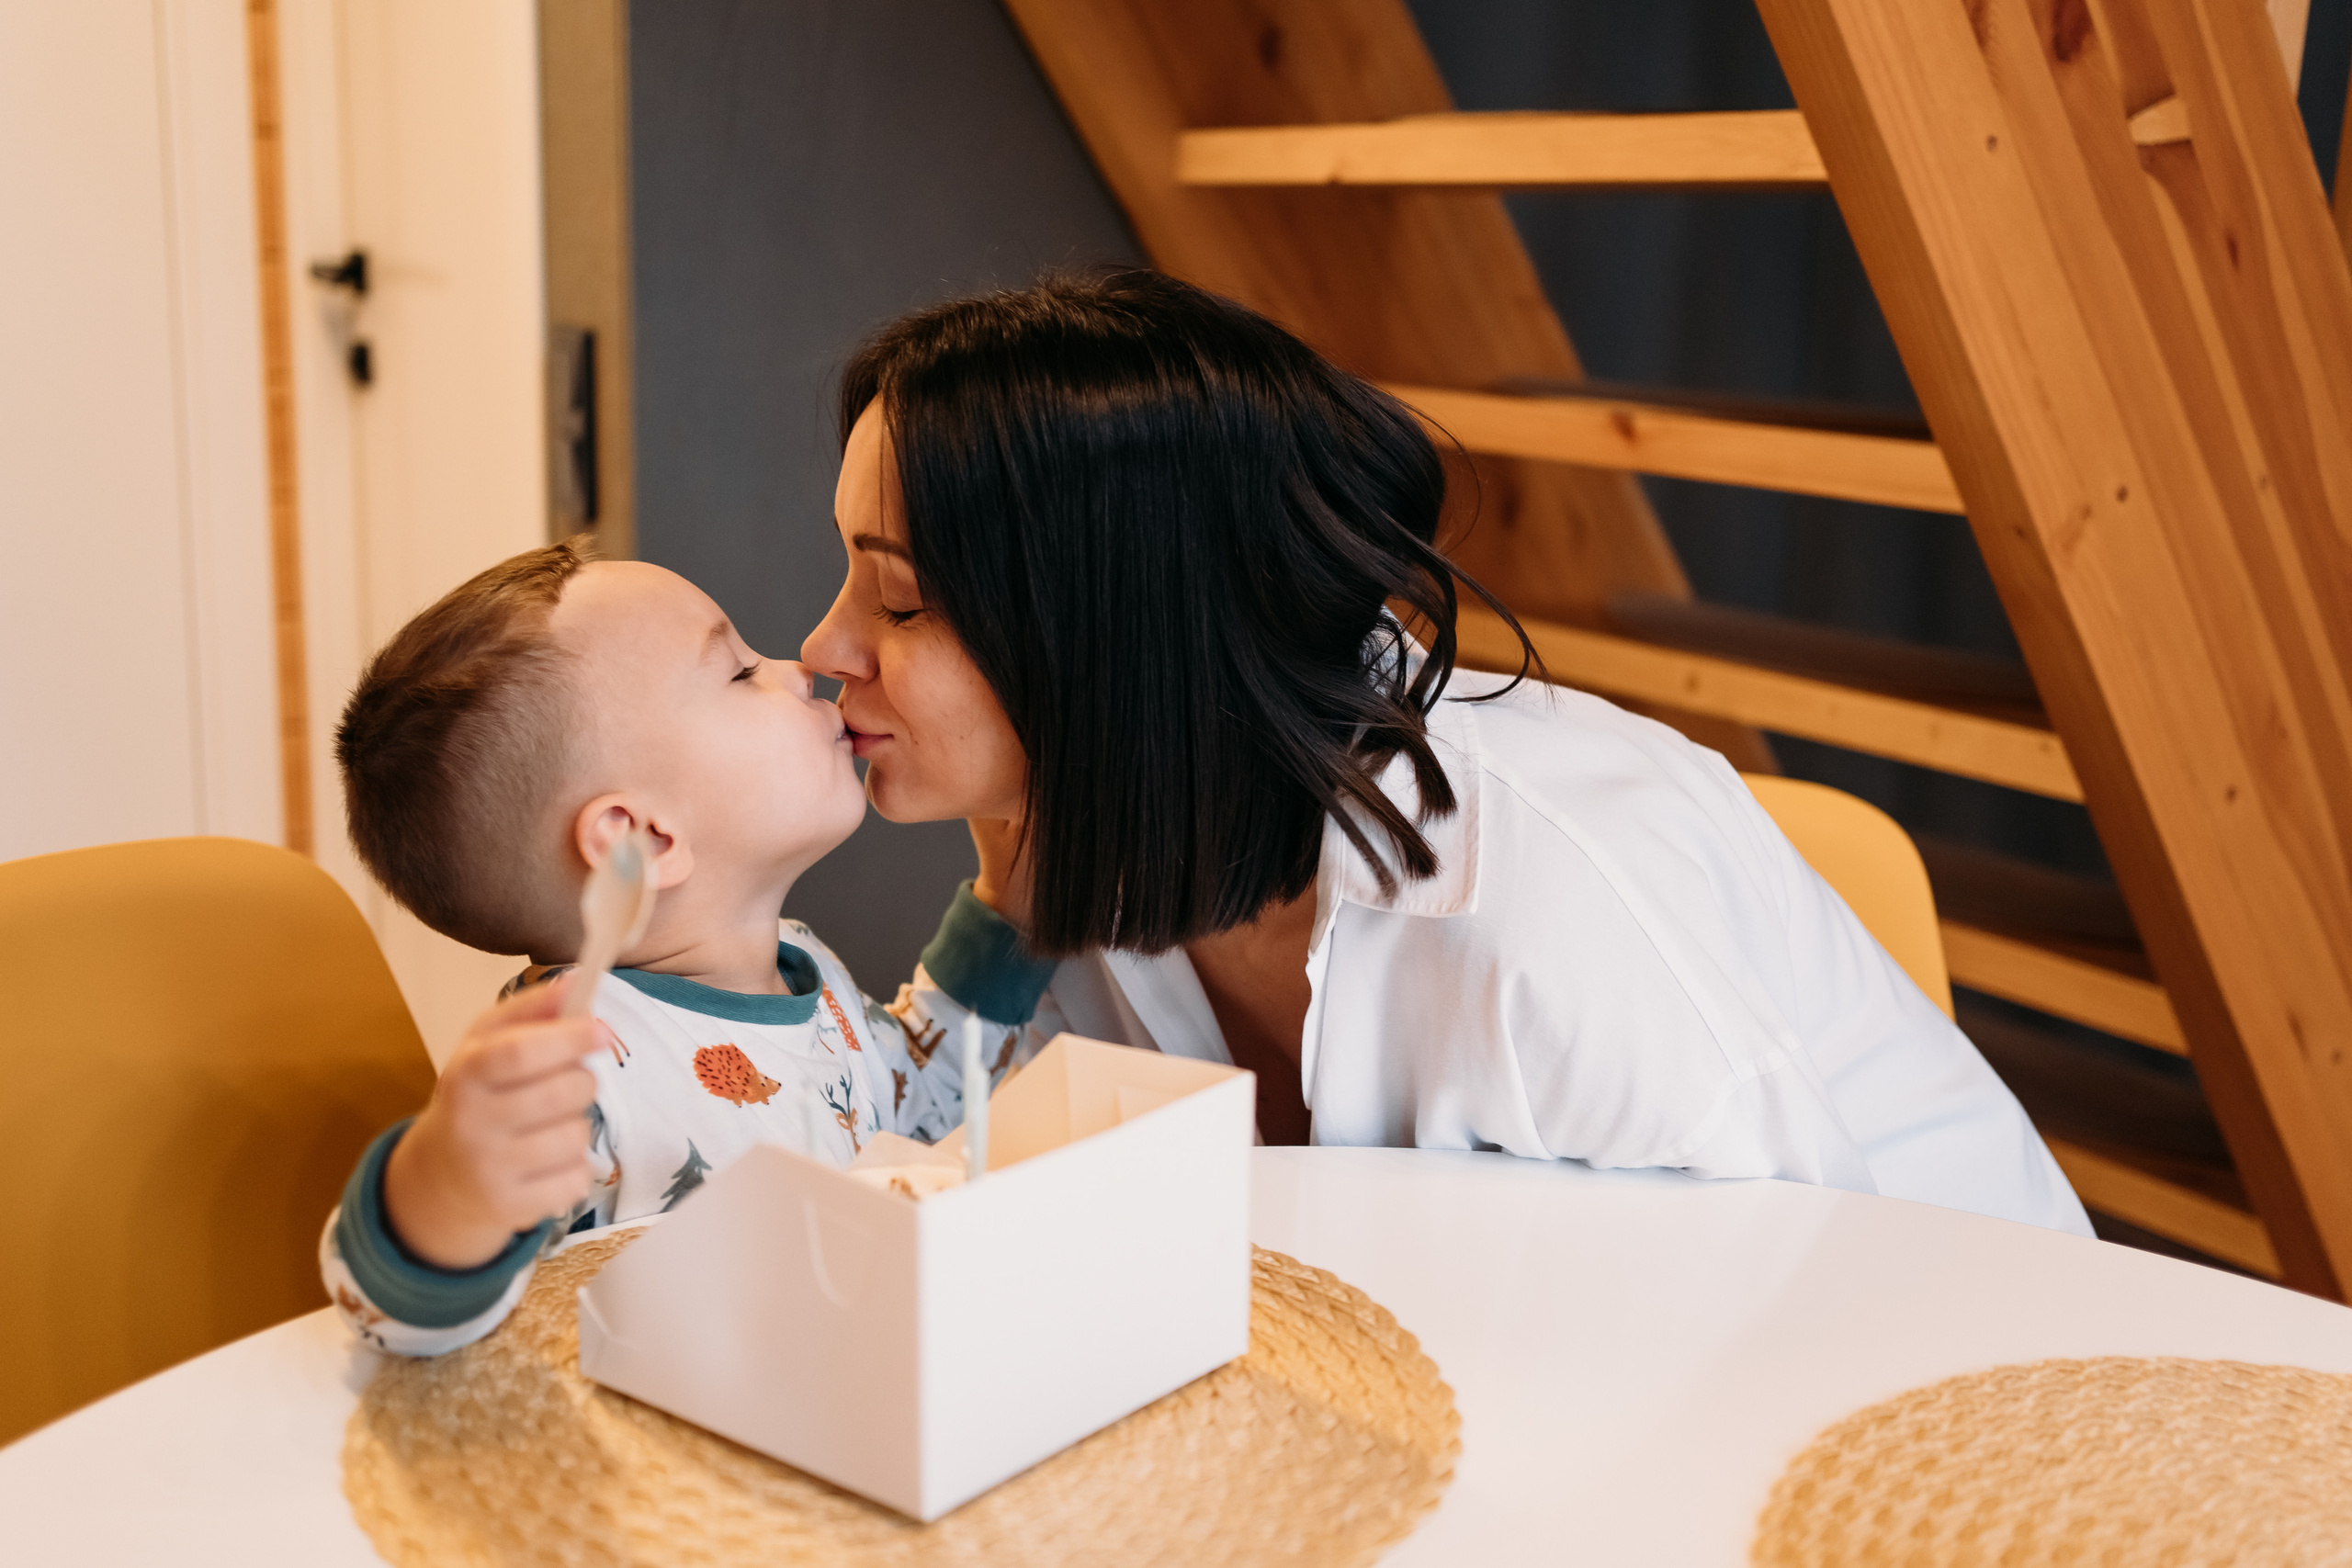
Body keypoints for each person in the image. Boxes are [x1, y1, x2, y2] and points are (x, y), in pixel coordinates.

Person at [800, 268, 2090, 1237]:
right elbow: (919, 1165)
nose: (822, 646)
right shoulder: (1091, 840)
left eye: (898, 599)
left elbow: (1812, 1311)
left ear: (1118, 631)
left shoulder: (1550, 914)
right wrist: (1002, 911)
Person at [319, 539, 1014, 1356]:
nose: (798, 667)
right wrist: (445, 1186)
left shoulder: (807, 972)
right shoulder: (582, 1064)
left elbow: (923, 1105)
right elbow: (393, 1322)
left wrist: (1011, 910)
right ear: (641, 840)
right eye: (741, 672)